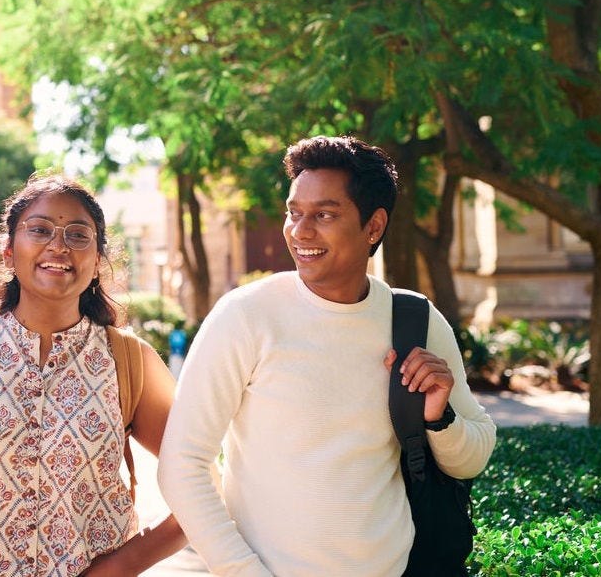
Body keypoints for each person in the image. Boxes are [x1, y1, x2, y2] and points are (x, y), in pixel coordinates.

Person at [157, 135, 497, 577]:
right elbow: (182, 465)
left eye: (324, 214)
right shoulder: (245, 316)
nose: (300, 231)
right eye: (293, 212)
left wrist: (439, 418)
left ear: (373, 227)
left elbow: (474, 455)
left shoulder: (415, 319)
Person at [0, 174, 187, 576]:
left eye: (78, 235)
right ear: (9, 252)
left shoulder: (128, 361)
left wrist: (124, 563)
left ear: (98, 260)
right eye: (40, 230)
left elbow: (202, 479)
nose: (59, 246)